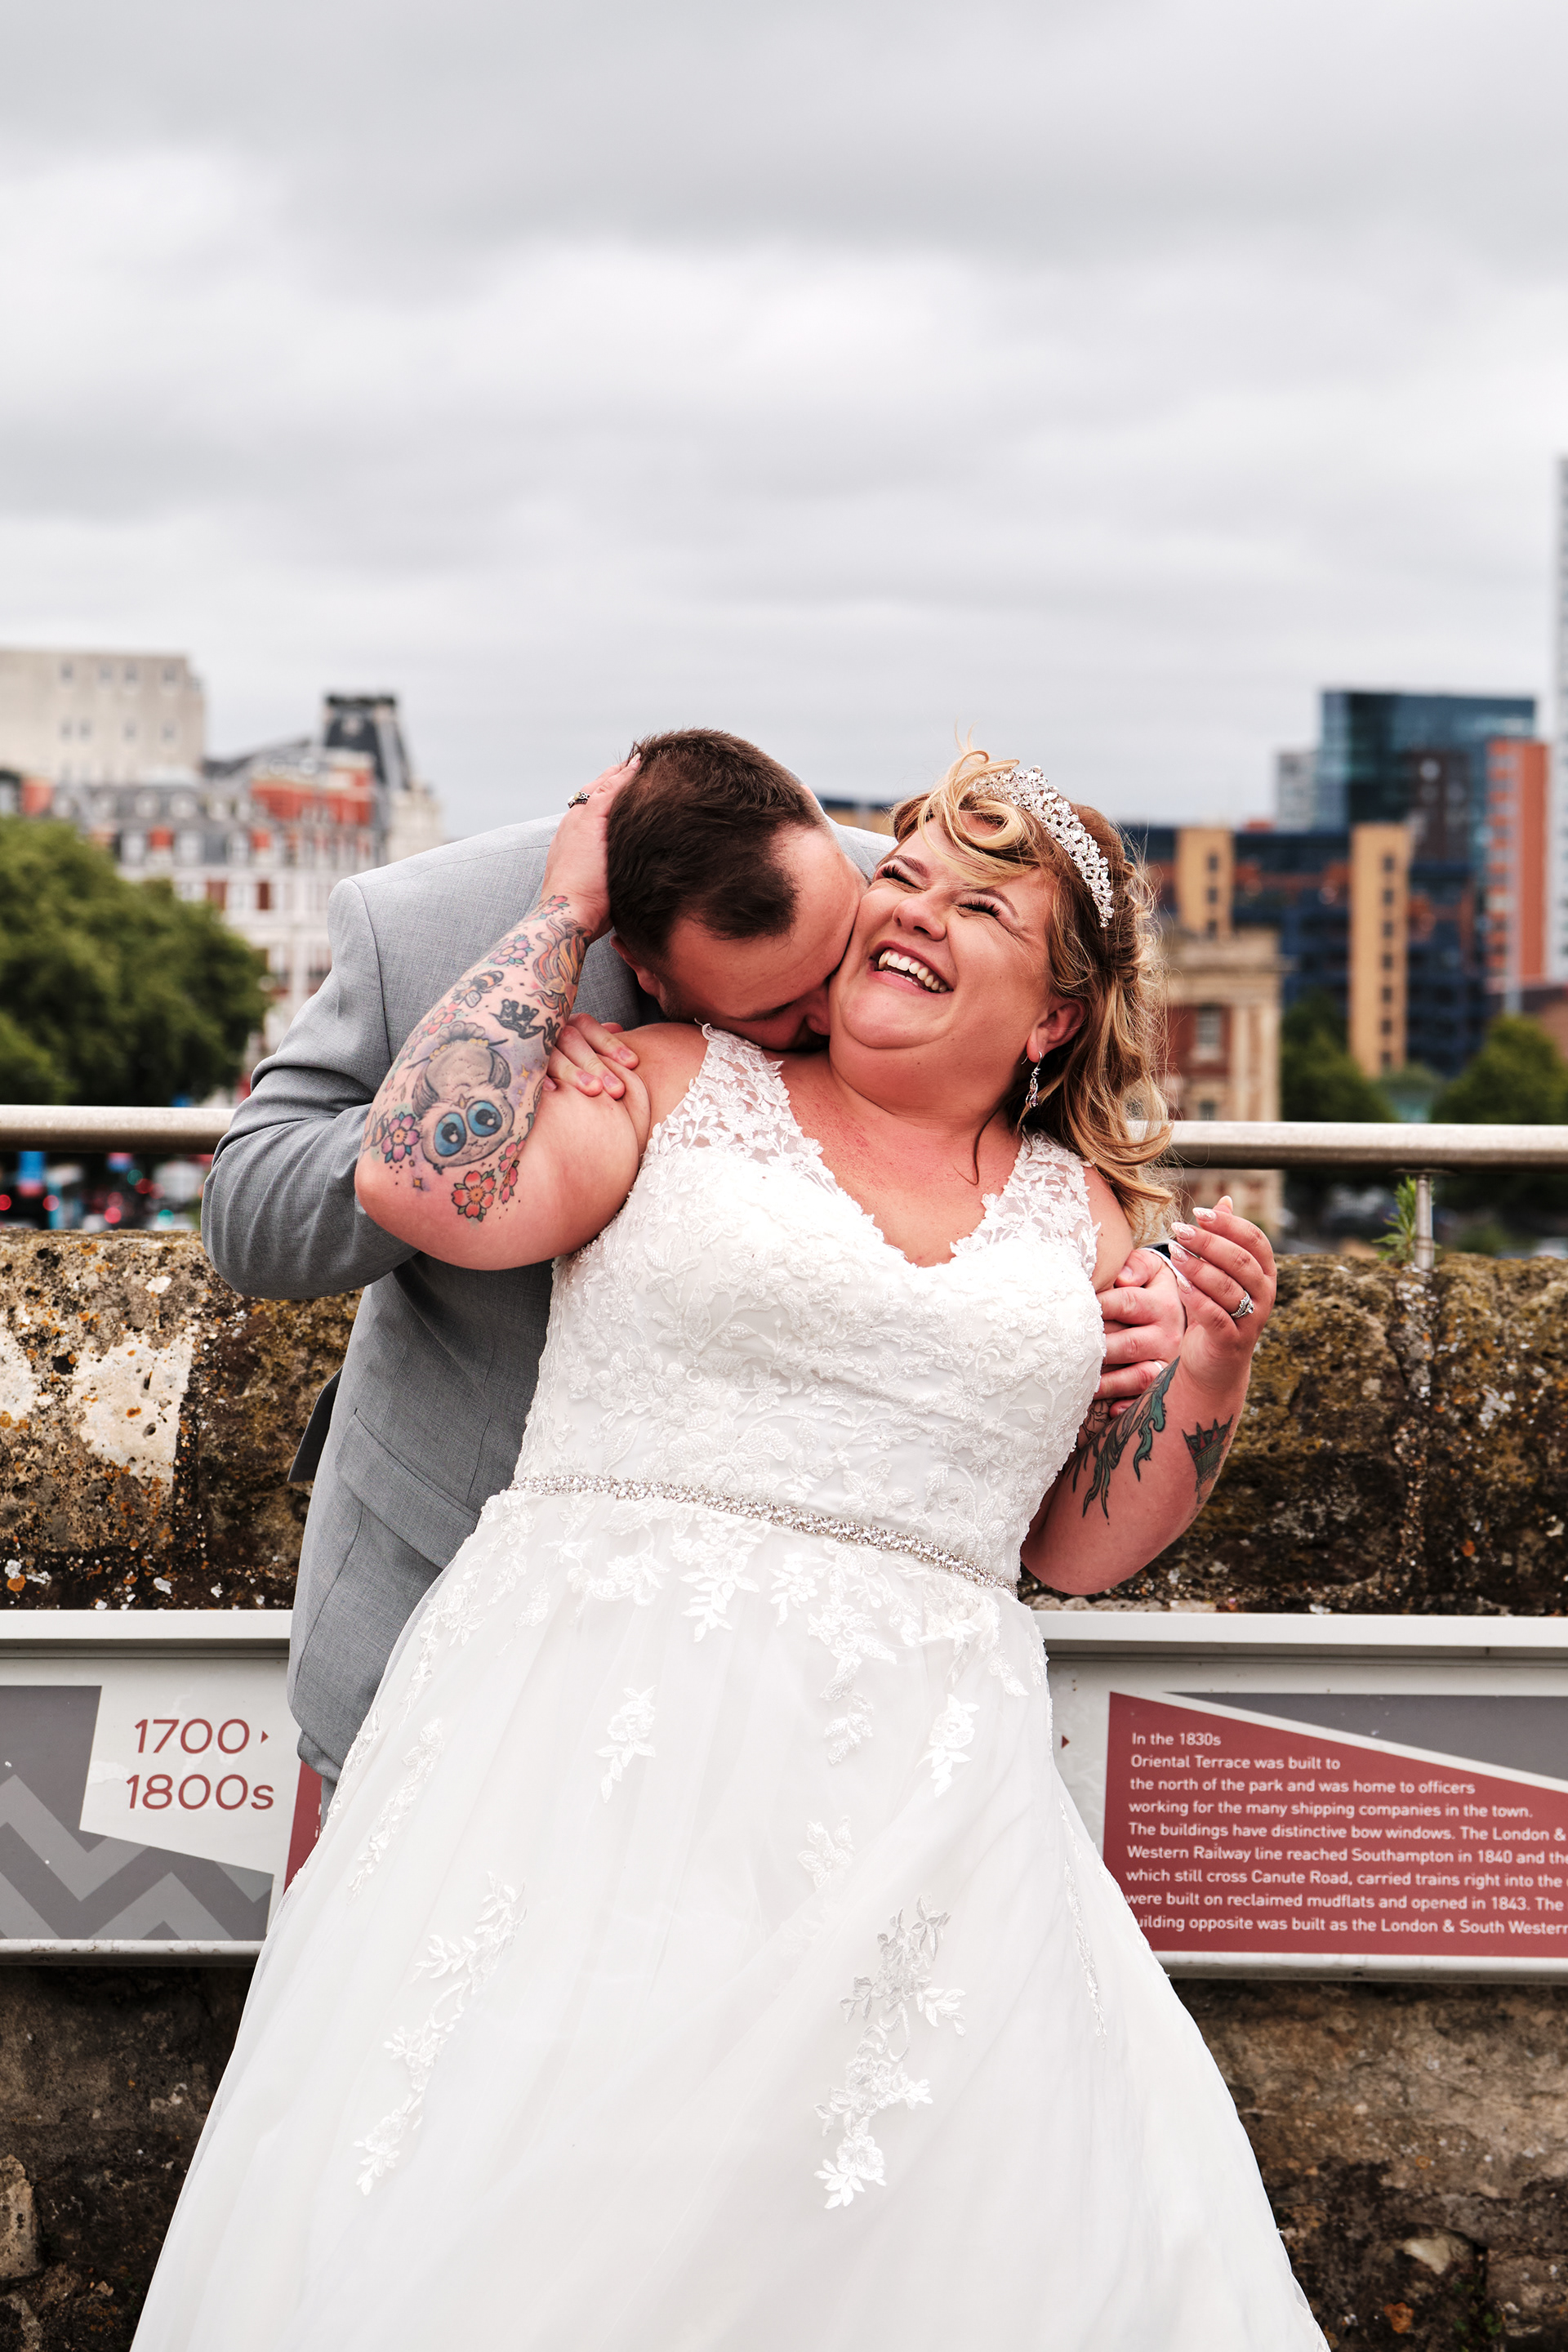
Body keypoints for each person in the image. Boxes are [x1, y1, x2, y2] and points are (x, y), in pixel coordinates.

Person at [134, 750, 1323, 2350]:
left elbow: (1082, 1546)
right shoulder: (665, 1076)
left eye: (982, 908)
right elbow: (418, 1182)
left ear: (1054, 1017)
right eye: (905, 878)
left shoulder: (1091, 1222)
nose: (913, 910)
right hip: (592, 1749)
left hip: (924, 1812)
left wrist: (1213, 1372)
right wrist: (562, 920)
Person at [201, 729, 1180, 1798]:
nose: (831, 1020)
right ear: (646, 974)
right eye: (773, 1015)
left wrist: (1157, 1304)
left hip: (853, 1701)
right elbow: (251, 1215)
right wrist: (497, 1072)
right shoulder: (424, 924)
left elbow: (1025, 1158)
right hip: (455, 1561)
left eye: (832, 967)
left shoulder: (903, 897)